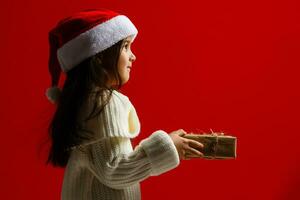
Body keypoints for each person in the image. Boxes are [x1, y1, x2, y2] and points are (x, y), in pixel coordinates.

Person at [45, 9, 204, 200]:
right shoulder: (104, 101)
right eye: (126, 46)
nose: (132, 56)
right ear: (100, 56)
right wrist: (167, 147)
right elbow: (113, 169)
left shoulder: (83, 102)